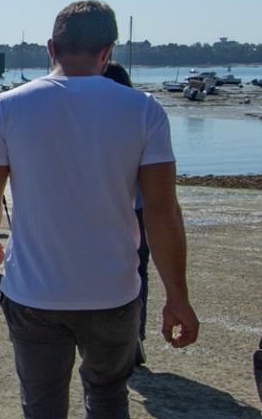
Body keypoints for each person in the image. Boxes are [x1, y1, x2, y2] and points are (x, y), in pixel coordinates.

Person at [0, 0, 198, 419]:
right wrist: (177, 296)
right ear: (107, 51)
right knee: (108, 397)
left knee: (42, 404)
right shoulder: (144, 109)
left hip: (33, 291)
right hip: (113, 291)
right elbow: (162, 213)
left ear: (50, 48)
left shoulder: (5, 107)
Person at [99, 63, 150, 364]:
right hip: (140, 209)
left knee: (104, 272)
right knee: (138, 272)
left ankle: (113, 340)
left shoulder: (96, 120)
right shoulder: (142, 114)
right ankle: (135, 336)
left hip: (106, 209)